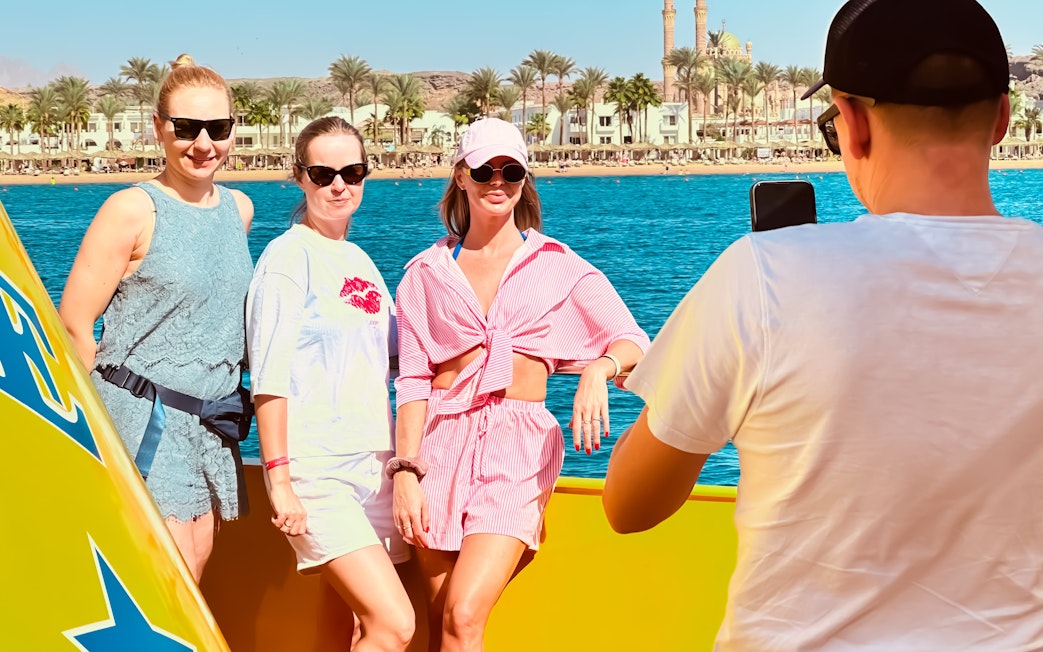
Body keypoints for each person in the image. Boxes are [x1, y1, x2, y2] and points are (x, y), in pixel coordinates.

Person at [603, 1, 1043, 649]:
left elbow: (629, 506)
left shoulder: (766, 276)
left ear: (853, 124)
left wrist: (687, 385)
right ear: (1002, 119)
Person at [393, 117, 649, 650]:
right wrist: (406, 472)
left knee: (463, 615)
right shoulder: (425, 273)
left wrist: (598, 369)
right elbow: (414, 381)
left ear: (524, 180)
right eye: (484, 170)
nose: (497, 181)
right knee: (442, 620)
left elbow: (633, 342)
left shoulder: (558, 265)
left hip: (519, 447)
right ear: (460, 176)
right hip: (439, 446)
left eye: (510, 171)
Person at [58, 54, 254, 582]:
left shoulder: (239, 210)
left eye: (217, 128)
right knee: (173, 573)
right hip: (144, 415)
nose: (203, 143)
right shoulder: (131, 210)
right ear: (158, 128)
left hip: (211, 425)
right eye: (186, 128)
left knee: (195, 567)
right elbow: (74, 325)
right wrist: (92, 433)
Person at [246, 116, 414, 650]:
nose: (339, 185)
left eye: (352, 172)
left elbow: (394, 360)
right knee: (395, 624)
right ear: (300, 177)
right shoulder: (287, 257)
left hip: (375, 467)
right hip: (317, 471)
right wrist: (280, 481)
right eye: (323, 174)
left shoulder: (359, 260)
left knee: (358, 626)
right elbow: (268, 378)